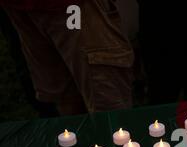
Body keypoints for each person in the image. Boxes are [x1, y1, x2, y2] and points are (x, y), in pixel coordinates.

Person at [0, 0, 135, 115]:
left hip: (75, 8)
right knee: (64, 101)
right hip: (21, 9)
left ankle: (109, 141)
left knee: (106, 100)